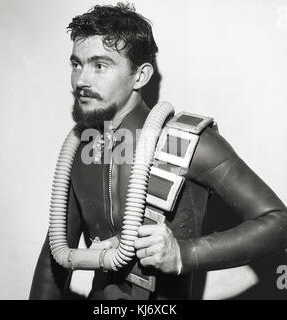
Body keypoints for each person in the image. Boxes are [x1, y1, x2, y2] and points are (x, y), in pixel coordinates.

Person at [29, 3, 287, 300]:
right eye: (77, 64)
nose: (82, 81)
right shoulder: (82, 148)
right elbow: (55, 260)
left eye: (100, 65)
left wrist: (182, 253)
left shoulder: (184, 142)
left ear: (140, 76)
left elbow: (278, 222)